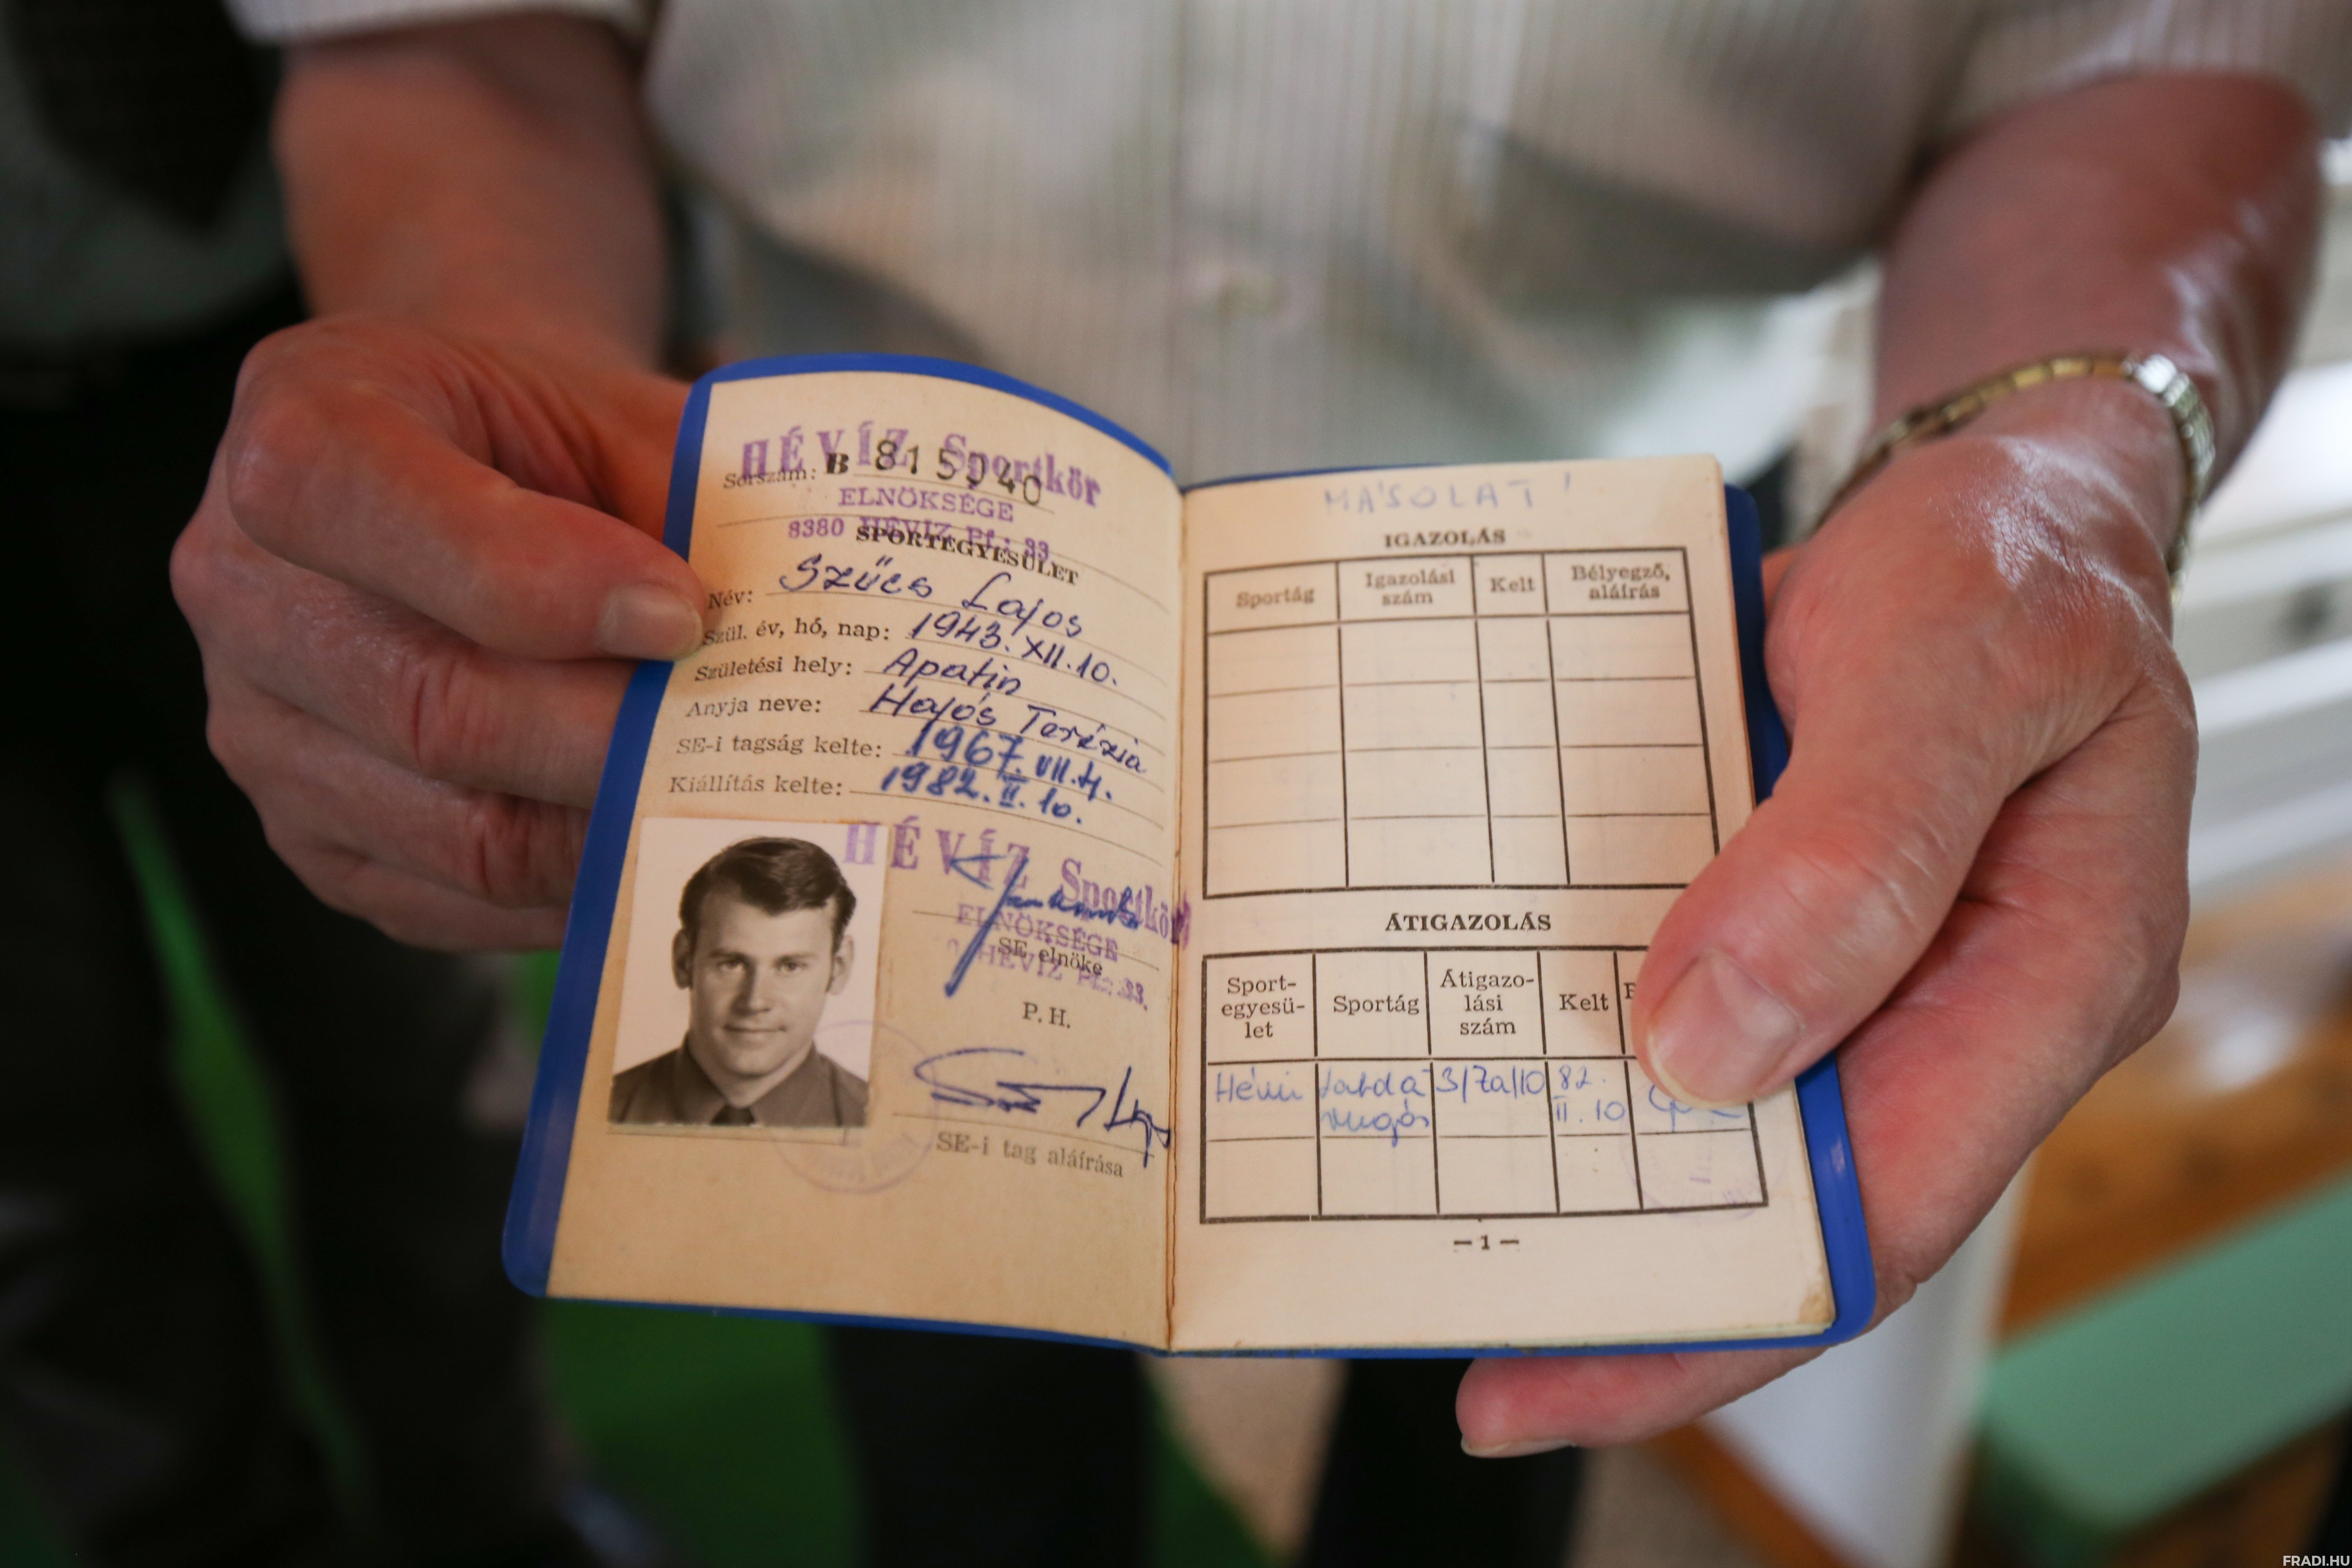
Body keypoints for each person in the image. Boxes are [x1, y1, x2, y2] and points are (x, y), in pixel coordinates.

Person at [176, 3, 2350, 1564]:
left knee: (1494, 1413)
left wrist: (2062, 479)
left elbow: (2161, 42)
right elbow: (445, 26)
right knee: (949, 1382)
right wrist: (501, 412)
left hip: (1648, 610)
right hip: (858, 597)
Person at [0, 5, 638, 1565]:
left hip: (281, 327)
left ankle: (500, 1509)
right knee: (33, 1119)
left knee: (410, 1018)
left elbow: (442, 46)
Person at [610, 836, 868, 1129]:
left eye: (790, 967)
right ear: (684, 962)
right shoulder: (594, 1114)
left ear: (839, 969)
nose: (755, 1002)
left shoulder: (876, 1124)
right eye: (731, 964)